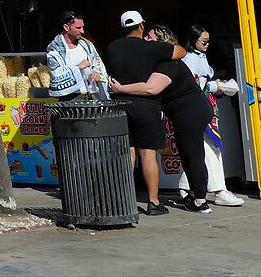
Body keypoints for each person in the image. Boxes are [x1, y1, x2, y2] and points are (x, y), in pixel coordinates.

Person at [114, 27, 214, 214]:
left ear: (159, 41)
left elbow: (151, 88)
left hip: (191, 111)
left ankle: (201, 201)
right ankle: (196, 196)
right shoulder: (158, 62)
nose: (144, 39)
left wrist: (121, 89)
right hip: (185, 111)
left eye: (149, 37)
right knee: (187, 154)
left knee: (193, 154)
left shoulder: (168, 64)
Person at [100, 11, 174, 215]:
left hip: (119, 105)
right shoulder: (151, 47)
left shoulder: (112, 47)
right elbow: (180, 52)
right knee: (147, 154)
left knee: (127, 152)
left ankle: (124, 200)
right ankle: (153, 202)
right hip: (146, 105)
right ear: (142, 26)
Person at [181, 25, 246, 206]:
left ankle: (189, 188)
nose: (207, 44)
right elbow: (192, 82)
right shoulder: (190, 59)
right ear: (193, 40)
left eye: (209, 41)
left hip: (204, 107)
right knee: (209, 148)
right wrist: (214, 86)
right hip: (198, 108)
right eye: (204, 41)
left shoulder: (199, 57)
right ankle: (219, 190)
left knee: (199, 150)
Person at [45, 11, 109, 101]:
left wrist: (96, 73)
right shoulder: (54, 49)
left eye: (82, 27)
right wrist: (79, 67)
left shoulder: (86, 44)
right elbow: (56, 73)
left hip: (92, 93)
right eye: (78, 28)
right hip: (71, 96)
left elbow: (97, 63)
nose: (82, 31)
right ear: (66, 27)